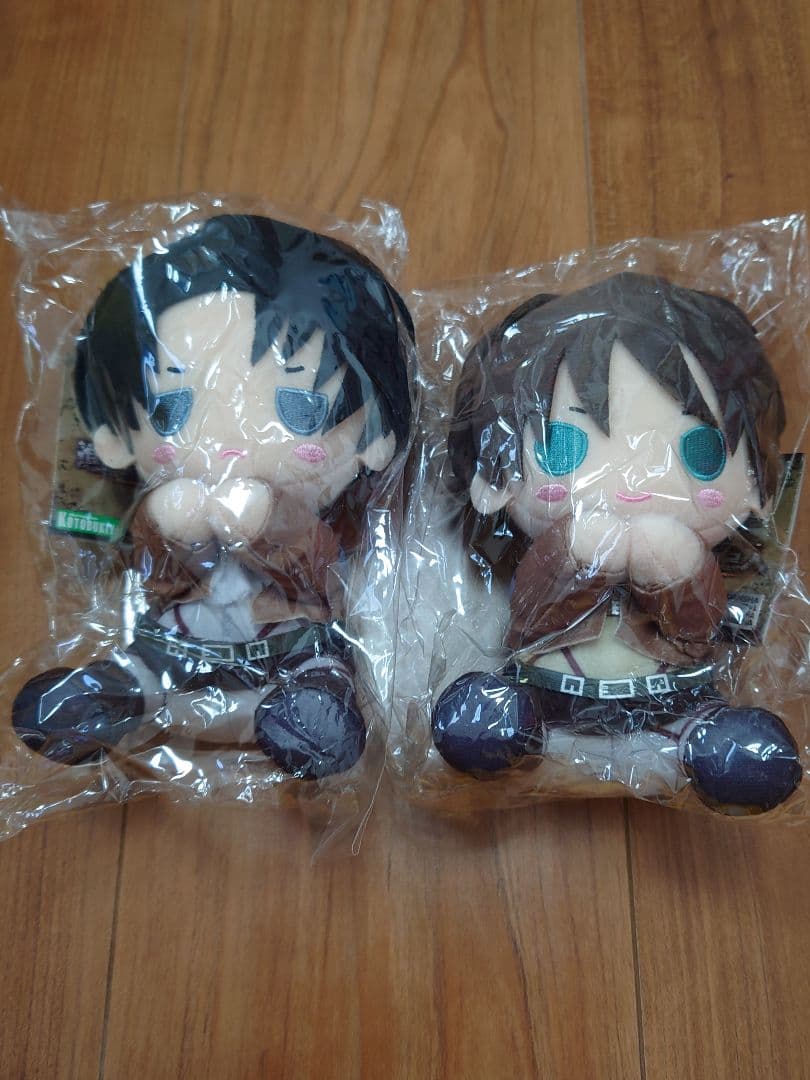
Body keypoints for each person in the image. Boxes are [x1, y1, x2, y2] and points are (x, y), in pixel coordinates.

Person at [12, 214, 413, 780]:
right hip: (178, 642)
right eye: (169, 410)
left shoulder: (322, 522)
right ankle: (106, 700)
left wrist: (267, 523)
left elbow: (321, 575)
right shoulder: (160, 505)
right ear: (115, 434)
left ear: (375, 435)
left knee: (319, 668)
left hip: (289, 645)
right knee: (143, 661)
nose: (230, 446)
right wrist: (169, 527)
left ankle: (309, 718)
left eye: (300, 409)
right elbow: (154, 577)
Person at [432, 272, 802, 814]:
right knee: (479, 721)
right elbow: (533, 614)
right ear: (494, 478)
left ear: (757, 483)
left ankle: (714, 744)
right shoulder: (556, 545)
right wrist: (577, 553)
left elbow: (697, 626)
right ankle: (509, 727)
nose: (633, 484)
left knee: (745, 756)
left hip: (672, 697)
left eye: (700, 453)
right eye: (562, 446)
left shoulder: (697, 554)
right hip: (547, 689)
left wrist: (677, 569)